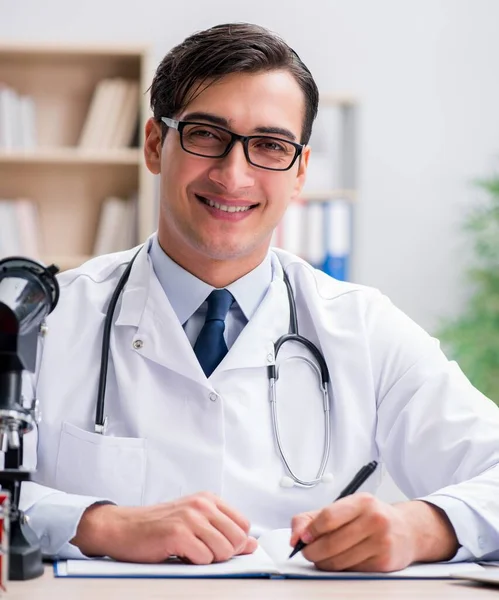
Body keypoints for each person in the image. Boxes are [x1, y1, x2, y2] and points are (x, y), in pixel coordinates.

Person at [21, 22, 499, 572]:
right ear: (155, 144)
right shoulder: (45, 316)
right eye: (205, 134)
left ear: (299, 173)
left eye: (270, 146)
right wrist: (96, 523)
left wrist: (424, 527)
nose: (234, 173)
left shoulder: (363, 329)